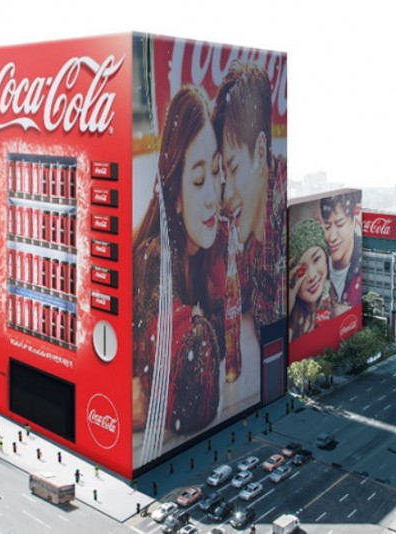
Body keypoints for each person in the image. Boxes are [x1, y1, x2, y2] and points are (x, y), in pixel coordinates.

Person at [132, 85, 226, 462]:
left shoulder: (210, 251)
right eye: (199, 179)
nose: (213, 196)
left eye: (217, 172)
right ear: (174, 194)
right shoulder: (154, 260)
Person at [212, 61, 287, 341]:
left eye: (232, 168)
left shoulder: (282, 202)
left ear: (259, 151)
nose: (226, 194)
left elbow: (277, 333)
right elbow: (230, 304)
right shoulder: (248, 232)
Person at [288, 219, 348, 341]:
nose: (312, 276)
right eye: (301, 270)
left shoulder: (343, 313)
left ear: (326, 259)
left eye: (316, 259)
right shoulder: (290, 328)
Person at [320, 191, 362, 307]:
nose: (332, 237)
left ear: (354, 221)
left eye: (340, 224)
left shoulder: (364, 264)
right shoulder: (316, 261)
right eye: (327, 226)